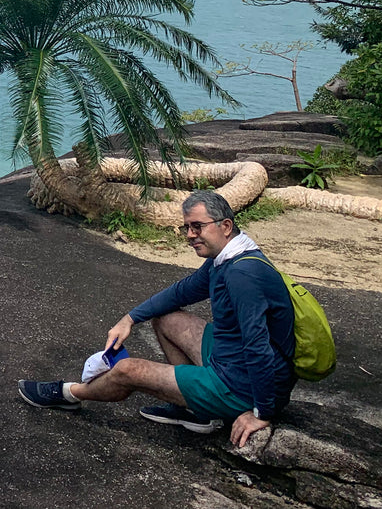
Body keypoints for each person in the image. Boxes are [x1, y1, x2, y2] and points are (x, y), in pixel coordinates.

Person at [17, 190, 296, 448]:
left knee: (129, 371)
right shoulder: (227, 258)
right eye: (186, 227)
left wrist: (262, 412)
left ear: (224, 226)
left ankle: (70, 394)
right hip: (232, 360)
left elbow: (257, 347)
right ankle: (196, 412)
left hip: (240, 386)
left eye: (197, 226)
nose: (189, 234)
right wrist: (129, 318)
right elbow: (181, 292)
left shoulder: (242, 275)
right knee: (165, 319)